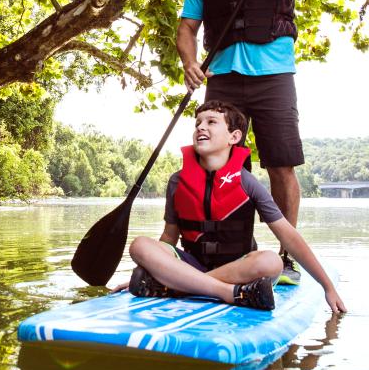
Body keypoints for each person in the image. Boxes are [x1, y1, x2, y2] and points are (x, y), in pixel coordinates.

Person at [177, 0, 343, 284]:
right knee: (218, 167)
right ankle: (226, 254)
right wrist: (189, 62)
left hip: (273, 77)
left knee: (281, 165)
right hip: (224, 81)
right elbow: (186, 27)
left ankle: (286, 257)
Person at [127, 100, 345, 313]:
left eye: (211, 122)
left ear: (234, 136)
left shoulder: (246, 182)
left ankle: (177, 287)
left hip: (238, 268)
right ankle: (226, 292)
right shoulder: (178, 181)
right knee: (140, 246)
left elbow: (290, 237)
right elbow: (169, 236)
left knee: (271, 262)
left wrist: (328, 287)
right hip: (193, 264)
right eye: (198, 123)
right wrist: (151, 265)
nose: (201, 127)